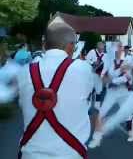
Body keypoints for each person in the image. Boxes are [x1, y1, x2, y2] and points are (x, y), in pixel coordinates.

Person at [16, 18, 94, 159]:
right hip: (71, 155)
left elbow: (23, 104)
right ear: (71, 46)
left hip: (30, 155)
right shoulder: (84, 69)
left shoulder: (24, 72)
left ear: (44, 45)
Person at [90, 43, 133, 146]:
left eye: (120, 48)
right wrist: (107, 77)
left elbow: (127, 77)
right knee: (101, 113)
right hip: (111, 92)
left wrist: (112, 80)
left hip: (124, 91)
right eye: (116, 48)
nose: (118, 50)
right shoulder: (108, 62)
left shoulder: (128, 60)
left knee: (127, 113)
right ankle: (96, 138)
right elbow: (103, 75)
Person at [86, 42, 106, 108]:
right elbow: (87, 60)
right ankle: (87, 107)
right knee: (89, 91)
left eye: (103, 48)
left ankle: (97, 108)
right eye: (101, 48)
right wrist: (93, 63)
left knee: (98, 92)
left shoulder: (104, 55)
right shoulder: (92, 52)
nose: (102, 50)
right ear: (97, 47)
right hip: (91, 75)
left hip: (99, 76)